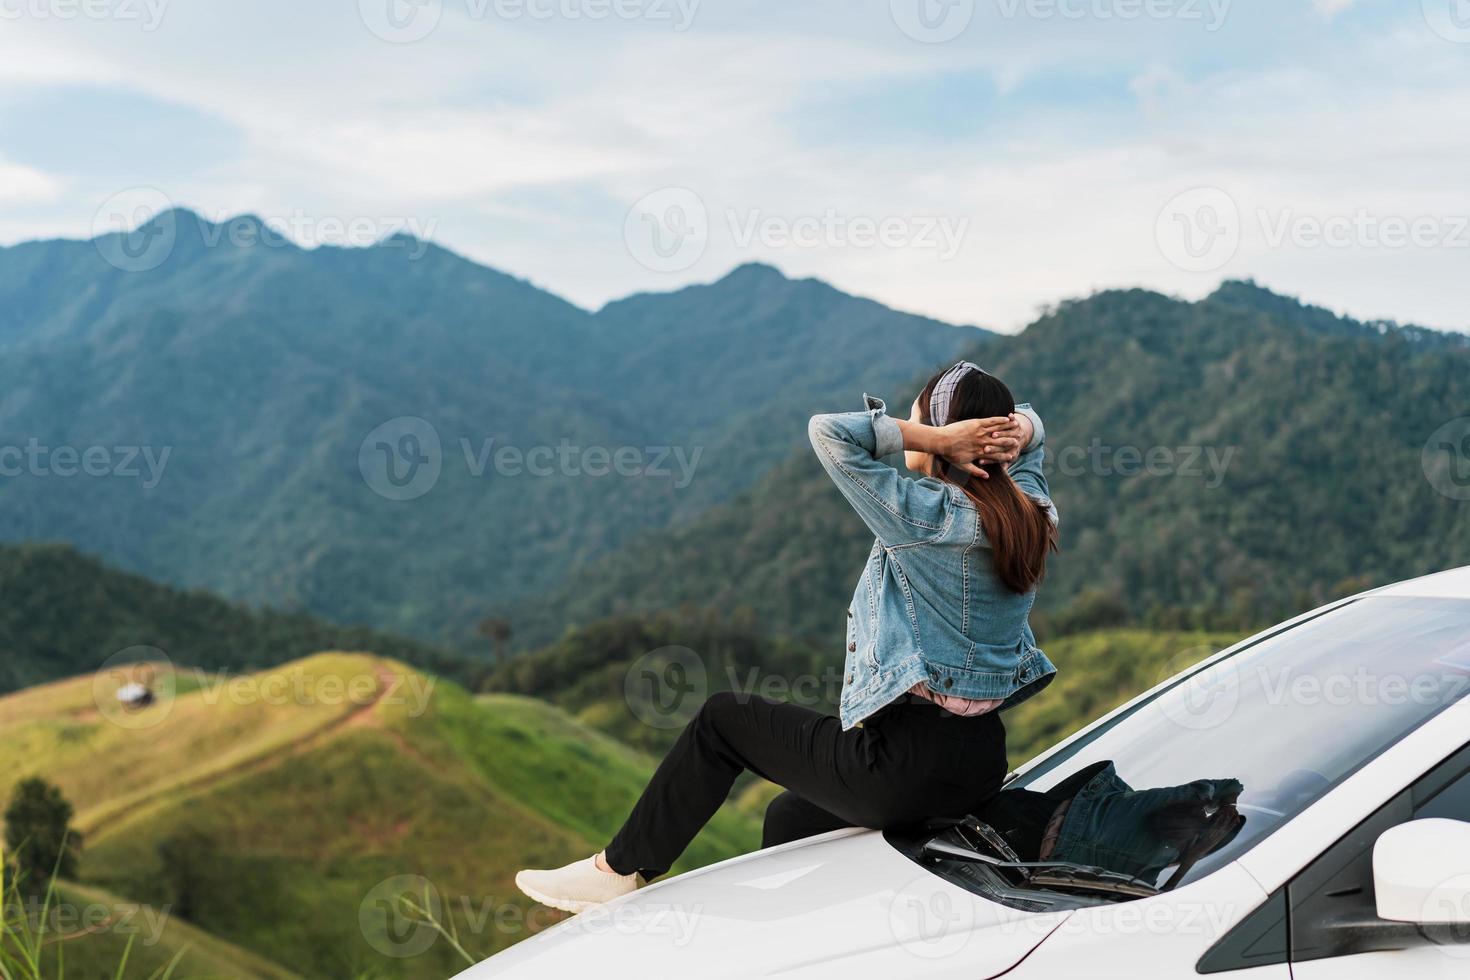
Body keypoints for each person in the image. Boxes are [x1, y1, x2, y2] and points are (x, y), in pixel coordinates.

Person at [515, 361, 1059, 912]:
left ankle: (617, 869)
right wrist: (996, 434)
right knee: (790, 816)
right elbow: (1033, 433)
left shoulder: (928, 516)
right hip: (977, 760)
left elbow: (829, 432)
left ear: (950, 434)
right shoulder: (1032, 512)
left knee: (723, 720)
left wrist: (932, 437)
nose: (909, 423)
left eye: (917, 416)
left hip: (904, 766)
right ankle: (809, 936)